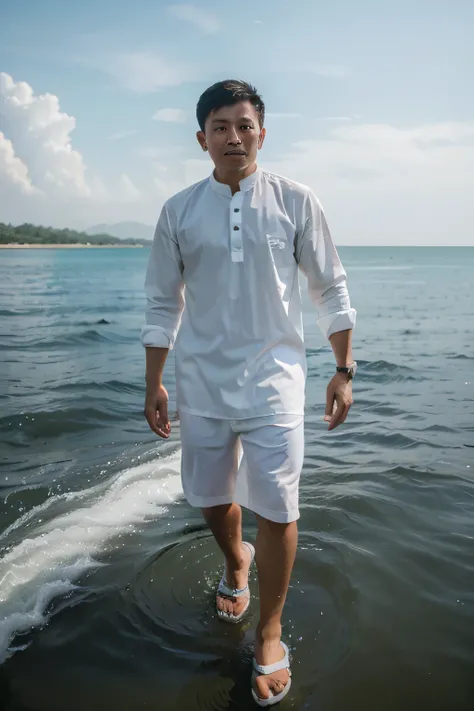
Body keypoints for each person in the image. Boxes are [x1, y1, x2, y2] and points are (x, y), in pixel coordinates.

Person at [141, 79, 356, 707]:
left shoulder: (294, 200)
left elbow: (331, 289)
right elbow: (161, 301)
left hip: (276, 383)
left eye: (244, 124)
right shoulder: (178, 210)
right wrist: (154, 379)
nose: (234, 136)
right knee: (209, 498)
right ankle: (237, 562)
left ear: (263, 131)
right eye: (220, 127)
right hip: (201, 383)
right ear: (201, 138)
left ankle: (269, 629)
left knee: (279, 506)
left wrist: (344, 369)